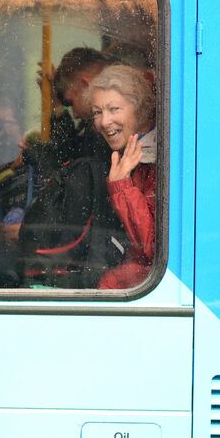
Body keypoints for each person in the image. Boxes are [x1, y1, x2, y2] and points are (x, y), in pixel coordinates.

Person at [87, 64, 156, 289]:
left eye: (114, 109)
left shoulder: (158, 160)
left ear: (140, 109)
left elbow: (152, 247)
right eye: (97, 112)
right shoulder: (127, 155)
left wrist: (121, 187)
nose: (104, 121)